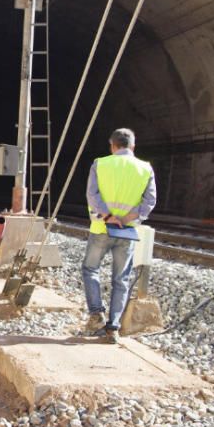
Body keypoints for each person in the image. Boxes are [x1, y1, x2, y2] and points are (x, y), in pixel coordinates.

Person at [82, 128, 157, 343]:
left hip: (101, 228)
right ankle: (113, 327)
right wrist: (128, 218)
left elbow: (92, 194)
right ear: (133, 146)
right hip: (127, 231)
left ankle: (96, 313)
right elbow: (150, 201)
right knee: (121, 279)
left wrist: (108, 215)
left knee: (90, 269)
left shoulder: (101, 163)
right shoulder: (145, 168)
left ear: (112, 145)